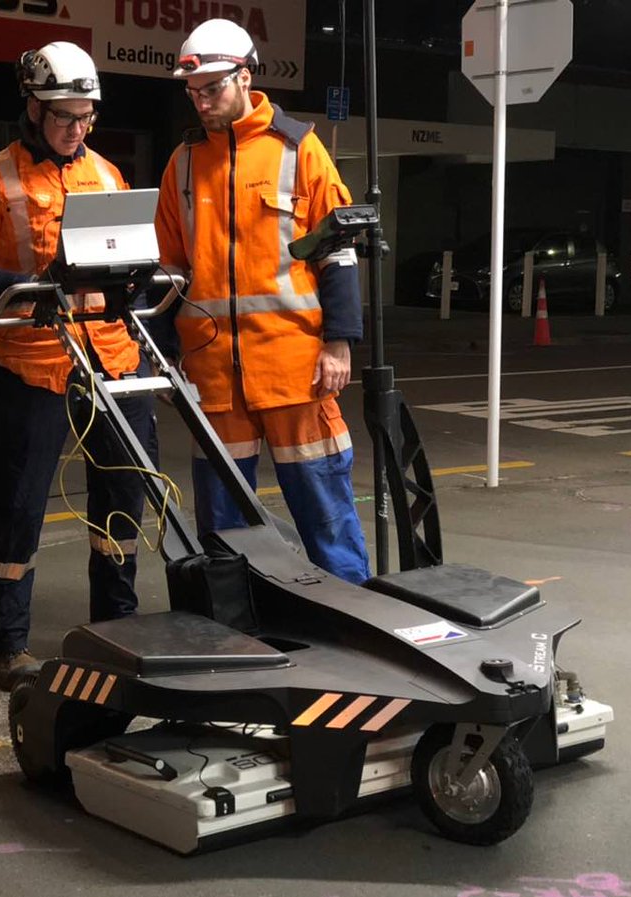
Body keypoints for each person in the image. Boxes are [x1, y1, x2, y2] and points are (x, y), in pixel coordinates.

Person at [0, 42, 155, 689]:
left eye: (86, 116)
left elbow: (133, 264)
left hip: (112, 357)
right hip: (33, 364)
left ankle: (115, 629)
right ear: (33, 109)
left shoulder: (110, 175)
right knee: (18, 503)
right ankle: (7, 646)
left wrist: (137, 283)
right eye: (65, 115)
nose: (76, 128)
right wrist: (31, 286)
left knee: (122, 500)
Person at [153, 18, 370, 584]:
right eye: (193, 93)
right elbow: (171, 269)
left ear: (246, 76)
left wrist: (340, 343)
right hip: (214, 375)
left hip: (296, 370)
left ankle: (352, 624)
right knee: (224, 528)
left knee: (325, 511)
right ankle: (235, 632)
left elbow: (339, 254)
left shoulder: (300, 151)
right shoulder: (182, 164)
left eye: (212, 89)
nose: (201, 103)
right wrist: (163, 348)